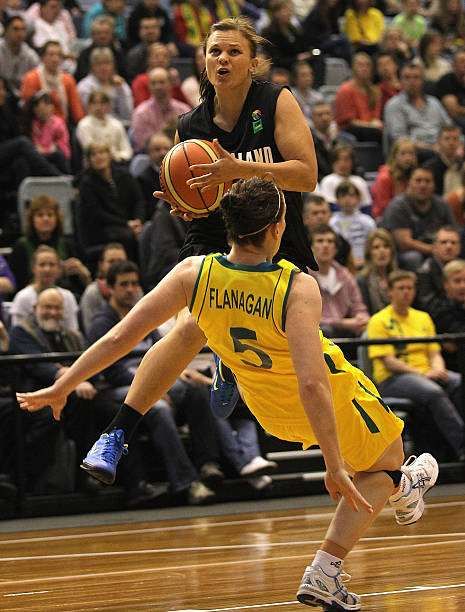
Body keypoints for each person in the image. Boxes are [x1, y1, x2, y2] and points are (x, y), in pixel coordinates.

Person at [18, 178, 439, 611]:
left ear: (227, 226)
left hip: (266, 408)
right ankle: (327, 568)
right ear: (278, 229)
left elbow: (120, 337)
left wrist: (62, 385)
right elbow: (313, 383)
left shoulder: (193, 272)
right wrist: (333, 466)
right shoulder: (296, 287)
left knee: (190, 328)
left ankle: (405, 487)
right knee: (384, 466)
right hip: (327, 396)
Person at [22, 15, 319, 483]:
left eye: (234, 51)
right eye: (214, 51)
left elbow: (306, 175)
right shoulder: (191, 124)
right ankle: (116, 434)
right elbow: (200, 200)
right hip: (215, 232)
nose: (223, 58)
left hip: (273, 232)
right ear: (203, 62)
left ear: (253, 61)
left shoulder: (275, 100)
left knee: (284, 343)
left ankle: (228, 358)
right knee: (185, 329)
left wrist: (235, 169)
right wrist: (183, 200)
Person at [367, 269, 465, 461]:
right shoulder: (379, 320)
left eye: (410, 288)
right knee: (433, 391)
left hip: (426, 373)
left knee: (459, 382)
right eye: (401, 288)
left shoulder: (423, 317)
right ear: (390, 292)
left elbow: (434, 352)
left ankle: (447, 449)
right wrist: (423, 373)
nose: (406, 292)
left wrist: (438, 368)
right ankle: (462, 446)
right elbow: (389, 362)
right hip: (393, 379)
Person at [10, 195, 91, 295]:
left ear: (57, 218)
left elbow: (79, 286)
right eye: (40, 215)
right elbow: (16, 285)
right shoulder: (21, 247)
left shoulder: (67, 245)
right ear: (32, 219)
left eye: (50, 215)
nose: (46, 219)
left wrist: (83, 273)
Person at [381, 166, 456, 270]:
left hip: (437, 249)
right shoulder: (398, 206)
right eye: (418, 181)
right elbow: (404, 243)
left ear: (434, 185)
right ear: (409, 183)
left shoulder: (442, 204)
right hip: (403, 253)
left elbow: (452, 232)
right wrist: (435, 250)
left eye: (427, 181)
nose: (423, 185)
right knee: (413, 257)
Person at [310, 224, 369, 340]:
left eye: (330, 241)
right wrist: (342, 323)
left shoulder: (345, 275)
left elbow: (358, 306)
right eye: (320, 241)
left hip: (346, 328)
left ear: (335, 249)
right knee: (325, 331)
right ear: (311, 247)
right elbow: (308, 316)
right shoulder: (304, 276)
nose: (325, 245)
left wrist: (362, 318)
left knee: (369, 332)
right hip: (317, 330)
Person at [11, 245, 79, 330]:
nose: (47, 269)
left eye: (52, 264)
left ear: (59, 269)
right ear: (33, 268)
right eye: (42, 265)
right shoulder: (23, 298)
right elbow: (17, 335)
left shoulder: (68, 297)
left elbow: (72, 332)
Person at [130, 66, 190, 152]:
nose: (158, 87)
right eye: (153, 83)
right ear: (149, 86)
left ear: (170, 84)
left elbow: (190, 140)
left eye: (162, 82)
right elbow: (142, 144)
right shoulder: (141, 113)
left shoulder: (183, 110)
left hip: (180, 155)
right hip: (151, 158)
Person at [79, 242, 127, 336]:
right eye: (111, 261)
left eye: (120, 261)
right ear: (101, 265)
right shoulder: (92, 293)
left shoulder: (135, 289)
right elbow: (92, 331)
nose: (116, 266)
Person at [334, 52, 383, 143]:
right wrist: (370, 125)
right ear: (353, 68)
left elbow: (376, 117)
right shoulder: (345, 90)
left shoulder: (375, 91)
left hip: (370, 128)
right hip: (350, 130)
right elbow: (348, 122)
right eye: (360, 65)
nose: (364, 68)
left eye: (367, 65)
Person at [77, 47, 133, 124]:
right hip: (94, 126)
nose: (103, 67)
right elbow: (89, 114)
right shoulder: (85, 87)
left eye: (107, 63)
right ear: (92, 66)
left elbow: (128, 114)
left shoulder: (120, 84)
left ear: (113, 65)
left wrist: (120, 90)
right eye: (99, 64)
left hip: (120, 125)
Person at [76, 90, 133, 164]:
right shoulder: (84, 125)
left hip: (117, 163)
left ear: (109, 106)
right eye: (94, 103)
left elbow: (127, 150)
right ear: (89, 106)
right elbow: (91, 151)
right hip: (95, 165)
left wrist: (119, 157)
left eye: (102, 103)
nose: (98, 107)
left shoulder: (117, 124)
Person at [329, 180, 376, 269]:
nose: (347, 199)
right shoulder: (332, 222)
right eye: (343, 196)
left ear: (358, 198)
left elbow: (373, 245)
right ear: (337, 200)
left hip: (366, 263)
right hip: (341, 264)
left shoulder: (368, 221)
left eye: (351, 195)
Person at [415, 225, 461, 314]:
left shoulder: (463, 268)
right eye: (444, 242)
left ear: (459, 248)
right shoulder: (424, 272)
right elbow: (429, 307)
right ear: (434, 247)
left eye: (453, 243)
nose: (449, 246)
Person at [23, 90, 71, 174]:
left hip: (55, 153)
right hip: (38, 155)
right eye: (38, 107)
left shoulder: (59, 123)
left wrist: (53, 148)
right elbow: (33, 143)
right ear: (34, 110)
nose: (42, 110)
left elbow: (63, 143)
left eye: (46, 106)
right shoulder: (32, 124)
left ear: (52, 107)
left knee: (59, 156)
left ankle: (66, 180)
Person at [371, 137, 417, 220]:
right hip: (385, 218)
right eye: (403, 154)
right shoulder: (385, 178)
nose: (408, 158)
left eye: (411, 153)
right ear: (394, 156)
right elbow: (383, 207)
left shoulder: (415, 175)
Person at [357, 228, 398, 314]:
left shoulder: (398, 278)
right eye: (376, 247)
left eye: (386, 246)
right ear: (369, 253)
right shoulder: (362, 280)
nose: (382, 251)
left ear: (391, 251)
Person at [0, 15, 39, 99]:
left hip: (23, 97)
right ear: (6, 31)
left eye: (23, 29)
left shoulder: (29, 54)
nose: (20, 33)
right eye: (15, 29)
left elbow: (39, 76)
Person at [423, 125, 463, 196]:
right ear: (439, 142)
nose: (451, 143)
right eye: (447, 139)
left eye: (455, 139)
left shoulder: (463, 165)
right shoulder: (429, 168)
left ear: (459, 142)